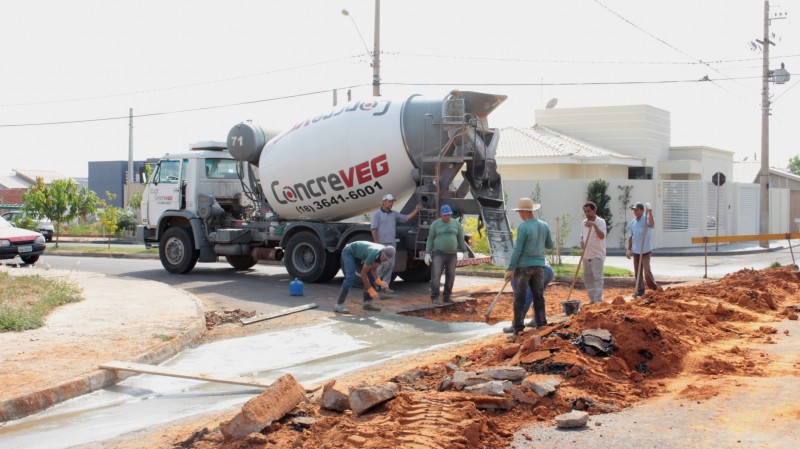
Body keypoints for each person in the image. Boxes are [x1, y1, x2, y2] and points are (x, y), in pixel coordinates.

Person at [504, 198, 554, 335]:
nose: (519, 214)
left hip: (523, 267)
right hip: (539, 266)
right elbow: (550, 245)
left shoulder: (523, 227)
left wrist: (510, 267)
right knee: (538, 296)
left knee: (519, 297)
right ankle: (541, 325)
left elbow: (517, 249)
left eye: (519, 211)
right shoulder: (544, 225)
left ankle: (518, 328)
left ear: (523, 212)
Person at [371, 193, 421, 294]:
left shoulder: (394, 214)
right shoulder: (376, 214)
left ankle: (385, 287)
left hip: (392, 243)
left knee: (390, 265)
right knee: (382, 266)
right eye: (389, 202)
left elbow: (406, 218)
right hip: (382, 244)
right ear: (384, 202)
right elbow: (373, 229)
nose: (391, 204)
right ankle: (377, 283)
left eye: (392, 202)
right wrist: (377, 244)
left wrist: (416, 210)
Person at [334, 241, 395, 314]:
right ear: (382, 251)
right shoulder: (374, 253)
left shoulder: (381, 256)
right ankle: (338, 305)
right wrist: (370, 288)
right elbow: (363, 273)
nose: (384, 259)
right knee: (350, 278)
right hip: (349, 252)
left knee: (371, 277)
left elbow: (373, 269)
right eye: (384, 257)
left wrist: (379, 281)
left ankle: (367, 304)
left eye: (386, 259)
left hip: (359, 255)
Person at [424, 204, 467, 304]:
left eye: (449, 215)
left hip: (452, 254)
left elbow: (460, 238)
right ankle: (435, 297)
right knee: (436, 275)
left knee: (451, 275)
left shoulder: (456, 224)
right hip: (438, 252)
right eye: (445, 215)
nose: (447, 217)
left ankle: (447, 297)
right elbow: (430, 239)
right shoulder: (435, 224)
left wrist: (464, 250)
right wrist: (427, 253)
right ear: (441, 214)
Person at [504, 262, 554, 332]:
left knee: (526, 298)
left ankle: (516, 326)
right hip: (547, 271)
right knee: (537, 297)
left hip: (537, 271)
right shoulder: (516, 267)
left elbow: (519, 294)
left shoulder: (516, 272)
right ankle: (535, 320)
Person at [627, 202, 659, 298]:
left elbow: (652, 224)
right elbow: (631, 236)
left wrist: (649, 211)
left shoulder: (646, 219)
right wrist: (628, 249)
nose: (635, 212)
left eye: (637, 210)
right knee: (637, 271)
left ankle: (654, 288)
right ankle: (640, 290)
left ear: (642, 210)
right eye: (634, 210)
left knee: (646, 270)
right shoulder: (633, 222)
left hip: (645, 250)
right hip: (636, 250)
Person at [580, 201, 607, 304]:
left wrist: (594, 226)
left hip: (597, 254)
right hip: (586, 254)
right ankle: (592, 299)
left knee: (597, 278)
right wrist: (582, 246)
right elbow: (582, 236)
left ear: (594, 210)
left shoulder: (601, 222)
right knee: (588, 278)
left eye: (589, 211)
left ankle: (598, 300)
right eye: (585, 211)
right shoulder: (583, 223)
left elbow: (602, 236)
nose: (587, 213)